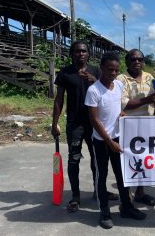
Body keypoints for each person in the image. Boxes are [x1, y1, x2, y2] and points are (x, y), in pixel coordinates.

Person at [51, 41, 118, 213]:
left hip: (95, 122)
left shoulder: (96, 70)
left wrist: (93, 79)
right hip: (75, 123)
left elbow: (107, 88)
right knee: (73, 159)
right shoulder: (65, 73)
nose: (81, 54)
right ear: (72, 54)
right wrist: (54, 123)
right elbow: (59, 99)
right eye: (77, 51)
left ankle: (98, 191)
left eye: (84, 51)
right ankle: (75, 196)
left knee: (98, 159)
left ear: (89, 54)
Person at [85, 52, 146, 229]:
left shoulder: (118, 85)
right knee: (101, 176)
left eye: (116, 70)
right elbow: (94, 120)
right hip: (101, 141)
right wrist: (109, 141)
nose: (113, 73)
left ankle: (126, 207)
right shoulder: (94, 90)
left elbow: (116, 107)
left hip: (118, 138)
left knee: (123, 176)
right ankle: (104, 212)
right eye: (110, 69)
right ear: (101, 68)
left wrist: (121, 113)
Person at [116, 49, 155, 206]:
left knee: (144, 159)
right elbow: (125, 104)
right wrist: (148, 99)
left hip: (148, 125)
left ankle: (140, 192)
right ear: (127, 62)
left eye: (140, 59)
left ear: (143, 61)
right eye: (133, 59)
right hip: (129, 127)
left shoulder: (150, 77)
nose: (137, 62)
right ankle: (127, 193)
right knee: (129, 159)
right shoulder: (121, 79)